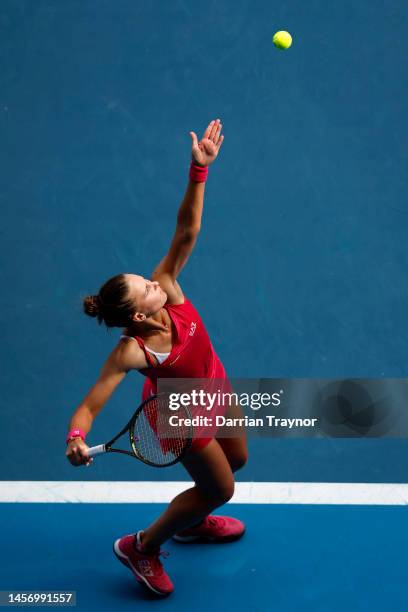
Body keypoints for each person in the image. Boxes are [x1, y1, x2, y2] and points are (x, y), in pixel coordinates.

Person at [65, 119, 248, 597]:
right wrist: (76, 436)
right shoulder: (133, 351)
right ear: (137, 315)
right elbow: (90, 404)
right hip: (180, 418)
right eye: (144, 288)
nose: (153, 282)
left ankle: (192, 522)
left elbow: (188, 228)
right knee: (220, 489)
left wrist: (198, 170)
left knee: (238, 459)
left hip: (214, 386)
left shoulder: (167, 286)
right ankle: (141, 546)